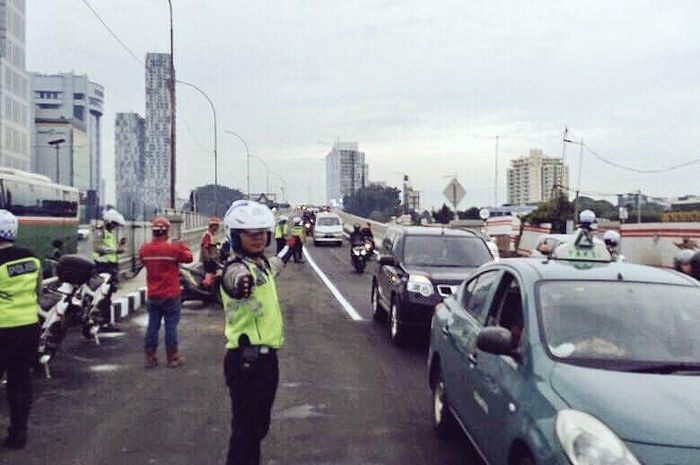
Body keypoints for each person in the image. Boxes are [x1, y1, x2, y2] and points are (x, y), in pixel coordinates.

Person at [220, 200, 286, 465]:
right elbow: (234, 279)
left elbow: (275, 264)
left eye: (262, 233)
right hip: (246, 360)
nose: (257, 238)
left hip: (267, 360)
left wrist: (289, 250)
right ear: (236, 236)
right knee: (246, 431)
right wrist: (241, 285)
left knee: (258, 427)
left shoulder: (262, 265)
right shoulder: (238, 268)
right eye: (250, 233)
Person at [0, 210, 41, 449]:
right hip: (27, 328)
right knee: (20, 382)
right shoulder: (31, 259)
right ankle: (18, 434)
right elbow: (39, 292)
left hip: (2, 329)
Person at [139, 217, 194, 368]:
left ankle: (150, 358)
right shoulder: (173, 249)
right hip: (171, 295)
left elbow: (142, 261)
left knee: (152, 326)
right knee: (171, 326)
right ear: (166, 232)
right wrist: (181, 245)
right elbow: (189, 257)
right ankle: (173, 358)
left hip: (153, 295)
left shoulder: (144, 249)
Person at [92, 208, 127, 330]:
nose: (115, 227)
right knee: (103, 296)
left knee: (108, 295)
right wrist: (115, 250)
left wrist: (119, 247)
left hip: (111, 267)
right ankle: (103, 323)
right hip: (102, 267)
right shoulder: (99, 231)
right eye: (114, 224)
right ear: (108, 221)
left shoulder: (109, 233)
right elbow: (97, 247)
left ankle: (104, 321)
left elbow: (111, 250)